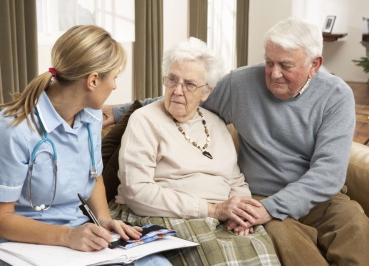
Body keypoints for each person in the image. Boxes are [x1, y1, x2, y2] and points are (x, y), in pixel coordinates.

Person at [103, 17, 369, 265]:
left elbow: (329, 174)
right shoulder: (241, 84)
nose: (274, 73)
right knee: (287, 241)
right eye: (269, 62)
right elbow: (185, 95)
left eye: (286, 65)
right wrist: (120, 111)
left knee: (355, 226)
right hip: (260, 197)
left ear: (314, 65)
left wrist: (270, 208)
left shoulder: (336, 96)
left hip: (318, 197)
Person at [0, 25, 170, 266]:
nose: (116, 86)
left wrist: (104, 221)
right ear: (93, 80)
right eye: (115, 77)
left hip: (74, 236)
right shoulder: (12, 132)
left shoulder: (91, 117)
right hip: (13, 246)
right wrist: (67, 236)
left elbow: (93, 175)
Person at [108, 37, 280, 265]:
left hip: (219, 217)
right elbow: (136, 192)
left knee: (261, 251)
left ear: (206, 92)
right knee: (219, 259)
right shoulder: (145, 120)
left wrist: (242, 216)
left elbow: (235, 181)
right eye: (172, 80)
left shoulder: (217, 124)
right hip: (163, 215)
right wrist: (212, 210)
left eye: (189, 84)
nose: (178, 90)